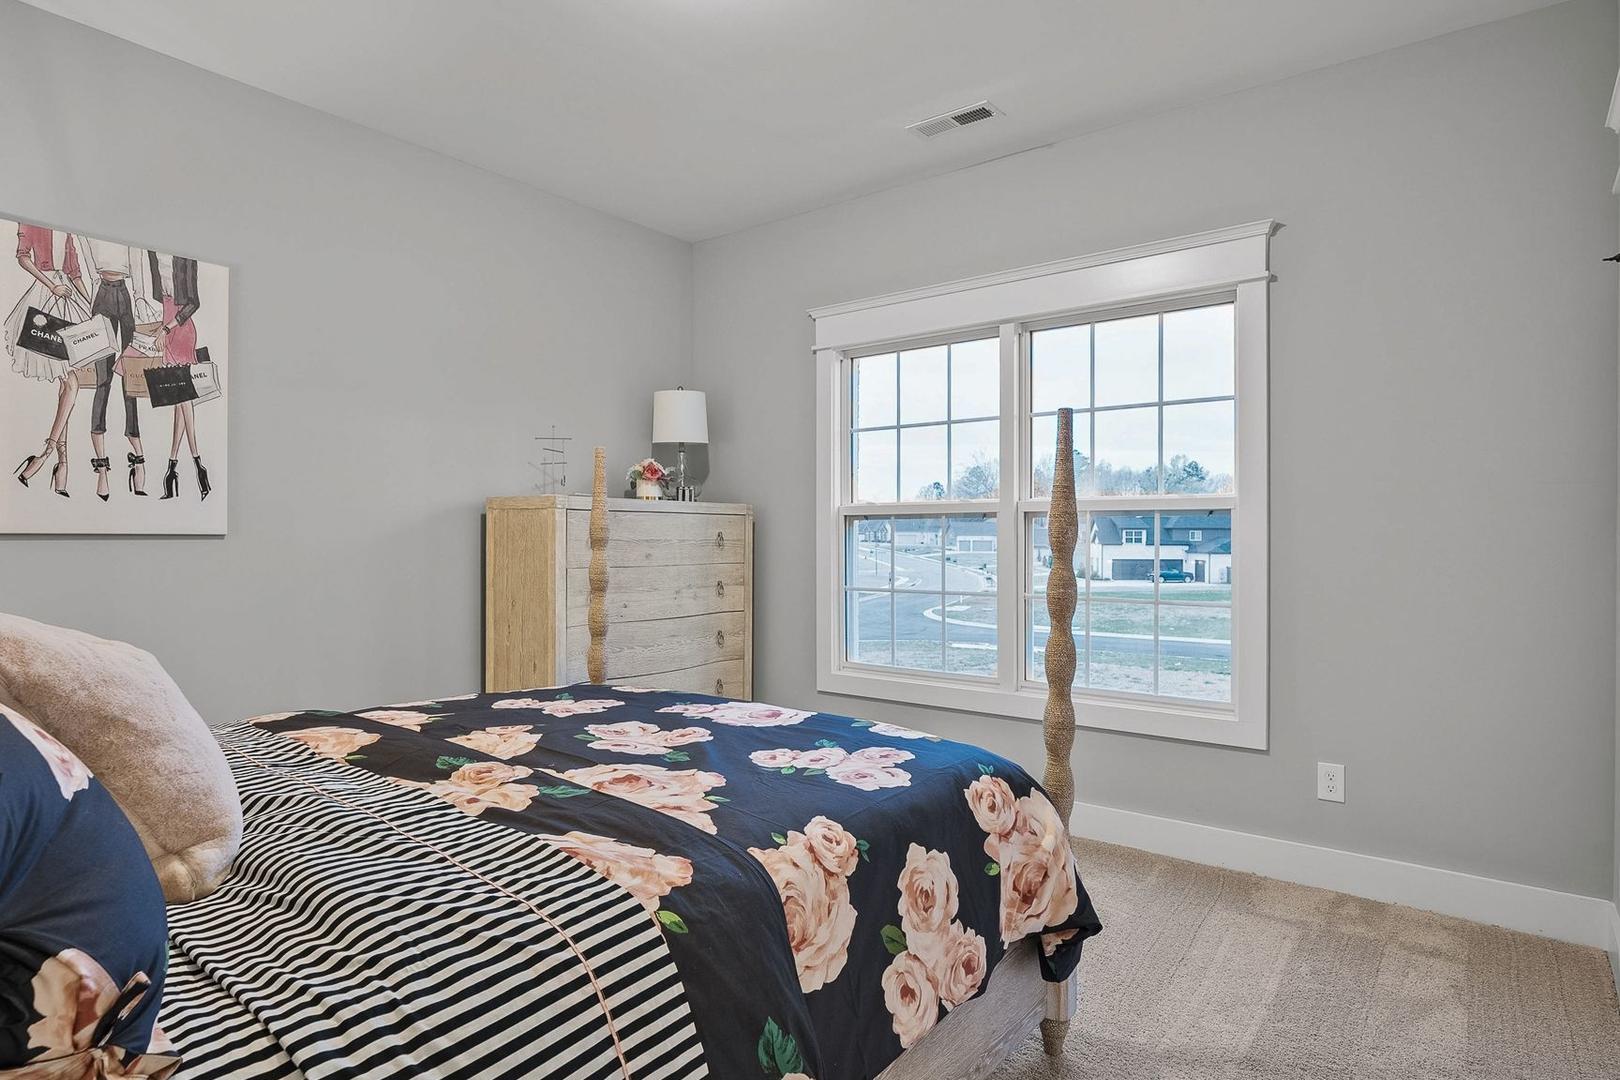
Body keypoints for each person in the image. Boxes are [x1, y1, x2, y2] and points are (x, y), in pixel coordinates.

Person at [8, 224, 91, 496]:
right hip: (45, 297)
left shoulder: (68, 230)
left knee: (65, 384)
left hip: (68, 298)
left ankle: (60, 462)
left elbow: (75, 272)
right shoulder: (31, 222)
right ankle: (48, 453)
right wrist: (51, 285)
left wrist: (91, 306)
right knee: (70, 383)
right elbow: (22, 257)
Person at [82, 238, 149, 500]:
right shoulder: (86, 232)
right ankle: (101, 467)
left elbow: (136, 257)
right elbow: (87, 261)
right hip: (100, 295)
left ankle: (139, 457)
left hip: (125, 294)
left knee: (129, 378)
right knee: (103, 380)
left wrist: (141, 296)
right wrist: (90, 298)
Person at [147, 250, 209, 500]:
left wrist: (166, 328)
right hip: (164, 323)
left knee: (183, 399)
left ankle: (193, 463)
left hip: (180, 328)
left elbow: (194, 303)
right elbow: (157, 294)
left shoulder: (186, 256)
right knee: (180, 402)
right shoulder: (152, 252)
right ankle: (178, 467)